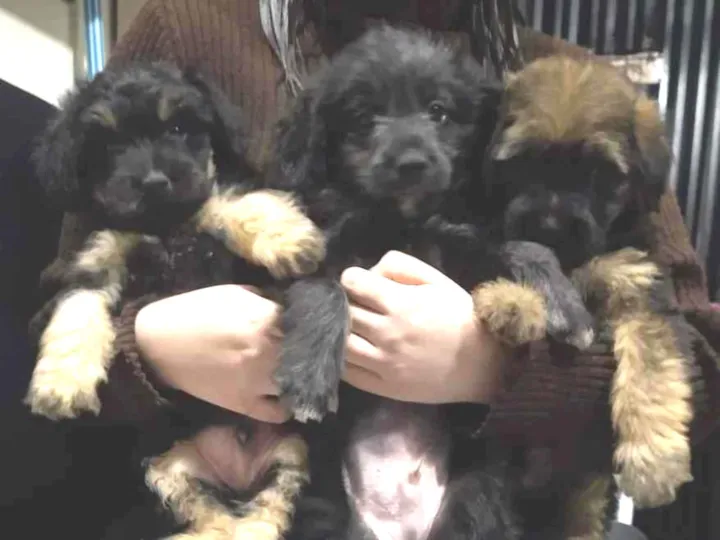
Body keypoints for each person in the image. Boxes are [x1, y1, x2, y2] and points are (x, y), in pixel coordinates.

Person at [6, 0, 720, 537]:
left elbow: (702, 362)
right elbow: (58, 332)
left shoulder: (558, 85)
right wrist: (153, 346)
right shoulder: (188, 26)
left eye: (440, 114)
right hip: (259, 493)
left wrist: (495, 371)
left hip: (484, 493)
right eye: (362, 122)